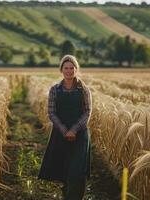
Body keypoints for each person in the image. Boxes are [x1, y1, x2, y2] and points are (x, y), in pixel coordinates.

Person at [38, 55, 92, 200]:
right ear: (61, 70)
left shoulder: (84, 89)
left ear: (76, 69)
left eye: (71, 68)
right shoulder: (55, 89)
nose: (69, 71)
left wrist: (74, 130)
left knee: (78, 170)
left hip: (80, 134)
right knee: (64, 168)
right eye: (66, 68)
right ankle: (67, 193)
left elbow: (88, 111)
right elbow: (51, 112)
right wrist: (64, 130)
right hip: (60, 133)